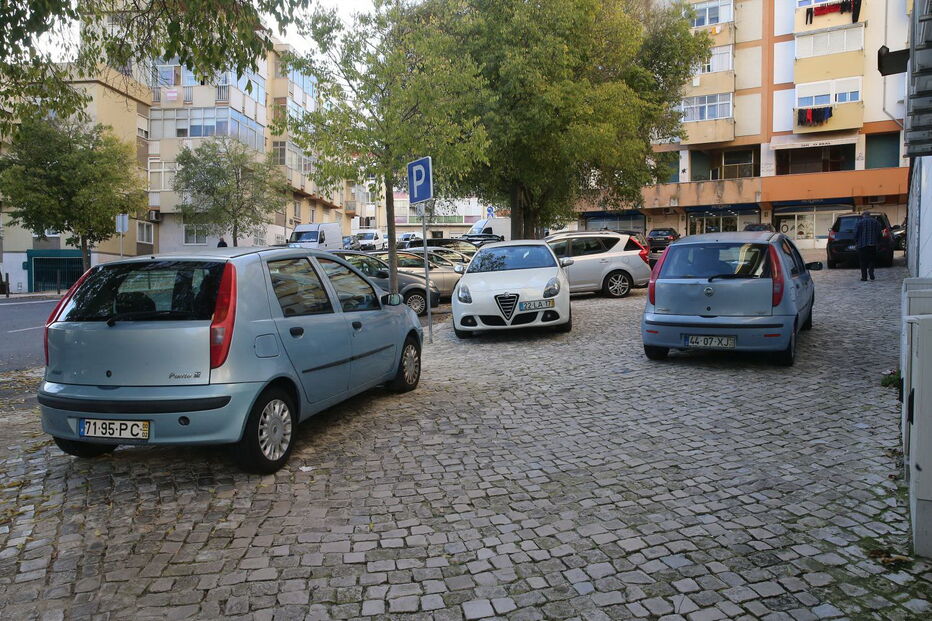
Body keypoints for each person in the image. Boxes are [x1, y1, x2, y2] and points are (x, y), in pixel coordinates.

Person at [854, 212, 882, 281]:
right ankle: (871, 272)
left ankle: (864, 277)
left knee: (863, 261)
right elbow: (879, 234)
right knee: (872, 260)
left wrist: (856, 242)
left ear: (863, 215)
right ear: (870, 215)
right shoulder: (876, 222)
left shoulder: (859, 223)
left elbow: (856, 234)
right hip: (873, 245)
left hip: (862, 245)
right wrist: (878, 242)